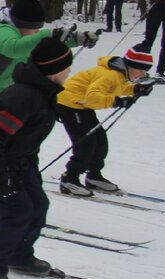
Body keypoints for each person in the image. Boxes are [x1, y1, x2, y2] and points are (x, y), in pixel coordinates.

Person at [0, 0, 99, 220]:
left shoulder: (28, 37)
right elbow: (15, 47)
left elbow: (45, 46)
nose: (34, 33)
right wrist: (48, 34)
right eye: (33, 28)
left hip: (0, 101)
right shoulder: (0, 30)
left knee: (7, 149)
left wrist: (77, 38)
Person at [0, 38, 73, 279]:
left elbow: (26, 137)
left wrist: (28, 169)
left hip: (16, 161)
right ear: (54, 70)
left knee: (38, 204)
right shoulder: (23, 96)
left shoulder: (43, 92)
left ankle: (19, 256)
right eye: (67, 67)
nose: (70, 72)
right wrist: (2, 178)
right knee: (18, 211)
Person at [55, 46, 152, 197]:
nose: (142, 74)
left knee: (100, 140)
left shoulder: (119, 74)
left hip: (81, 105)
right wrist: (116, 102)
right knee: (86, 142)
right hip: (69, 104)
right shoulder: (110, 74)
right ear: (129, 65)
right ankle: (69, 178)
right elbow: (92, 98)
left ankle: (94, 176)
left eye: (145, 72)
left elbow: (117, 87)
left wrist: (135, 89)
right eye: (140, 70)